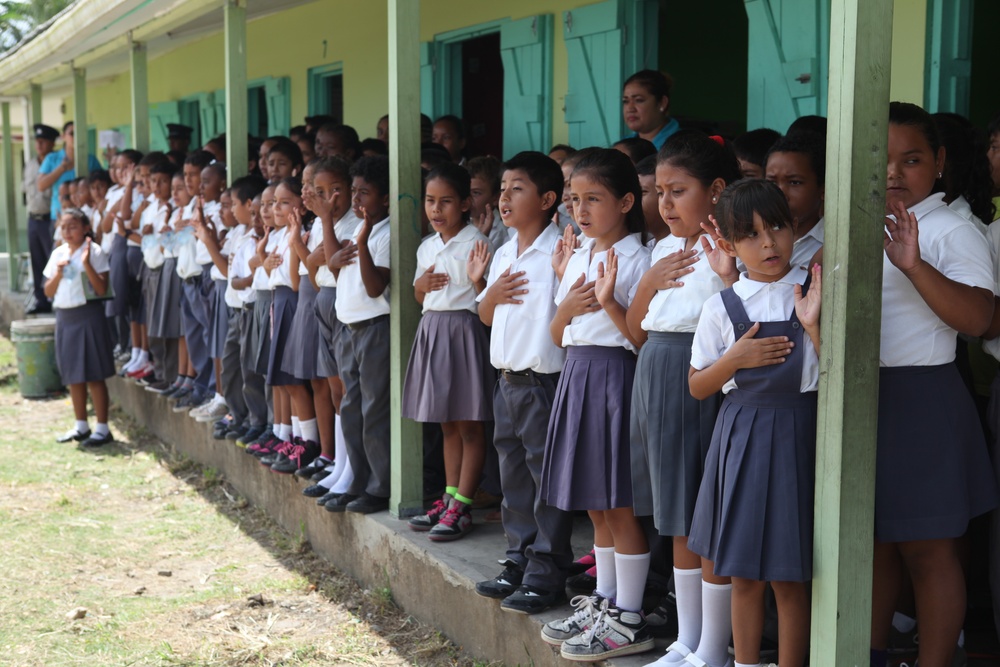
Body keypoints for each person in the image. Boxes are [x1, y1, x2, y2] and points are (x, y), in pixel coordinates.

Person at [869, 102, 998, 667]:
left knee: (929, 551)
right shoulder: (860, 222)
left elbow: (978, 320)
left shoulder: (953, 229)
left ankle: (936, 659)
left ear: (940, 162)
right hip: (864, 399)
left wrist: (916, 266)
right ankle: (868, 652)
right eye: (882, 159)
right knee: (871, 546)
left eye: (912, 159)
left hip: (922, 400)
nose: (895, 172)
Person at [686, 179, 822, 667]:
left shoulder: (815, 288)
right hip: (741, 436)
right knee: (742, 573)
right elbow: (698, 385)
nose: (769, 244)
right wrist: (736, 359)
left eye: (778, 228)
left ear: (794, 227)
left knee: (790, 575)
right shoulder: (720, 305)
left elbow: (838, 377)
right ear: (728, 244)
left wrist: (812, 325)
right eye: (752, 235)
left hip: (800, 436)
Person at [627, 131, 740, 667]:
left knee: (705, 513)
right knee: (675, 514)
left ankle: (714, 645)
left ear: (716, 190)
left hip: (702, 377)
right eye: (660, 192)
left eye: (678, 191)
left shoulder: (733, 249)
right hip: (657, 371)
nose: (664, 204)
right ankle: (687, 638)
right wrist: (648, 281)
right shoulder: (665, 248)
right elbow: (637, 328)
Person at [539, 148, 653, 661]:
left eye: (593, 200)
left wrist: (606, 301)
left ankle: (628, 615)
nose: (580, 211)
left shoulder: (638, 259)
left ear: (627, 201)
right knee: (595, 500)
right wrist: (566, 307)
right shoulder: (579, 253)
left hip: (615, 375)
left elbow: (638, 335)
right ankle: (605, 602)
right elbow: (559, 335)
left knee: (620, 502)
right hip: (578, 372)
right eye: (573, 200)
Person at [472, 151, 573, 612]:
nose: (505, 197)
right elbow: (487, 316)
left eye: (518, 188)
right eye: (503, 188)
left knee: (545, 479)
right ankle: (518, 558)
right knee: (514, 477)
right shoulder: (505, 250)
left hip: (542, 382)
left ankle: (547, 571)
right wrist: (488, 293)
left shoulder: (561, 250)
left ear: (548, 199)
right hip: (507, 380)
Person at [402, 163, 493, 541]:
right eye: (430, 201)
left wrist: (479, 279)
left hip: (464, 331)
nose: (436, 210)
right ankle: (448, 495)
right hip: (433, 330)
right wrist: (420, 285)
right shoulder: (428, 246)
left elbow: (486, 294)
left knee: (469, 423)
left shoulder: (477, 242)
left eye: (446, 202)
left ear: (465, 203)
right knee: (446, 422)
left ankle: (463, 505)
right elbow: (420, 296)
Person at [325, 155, 392, 514]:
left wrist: (363, 244)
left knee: (374, 409)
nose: (356, 199)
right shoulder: (356, 229)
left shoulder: (384, 233)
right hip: (348, 327)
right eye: (353, 191)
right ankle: (357, 478)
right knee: (351, 408)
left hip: (374, 329)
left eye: (364, 193)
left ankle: (379, 486)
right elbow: (342, 276)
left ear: (384, 199)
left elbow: (373, 287)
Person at [302, 156, 360, 501]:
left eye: (335, 190)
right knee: (334, 390)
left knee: (348, 391)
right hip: (324, 302)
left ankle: (352, 470)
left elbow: (339, 270)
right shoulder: (326, 224)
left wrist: (324, 220)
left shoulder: (352, 224)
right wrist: (315, 259)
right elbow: (315, 273)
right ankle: (339, 465)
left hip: (344, 304)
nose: (328, 199)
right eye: (319, 192)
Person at [45, 208, 115, 448]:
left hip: (88, 315)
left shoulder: (94, 252)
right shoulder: (58, 254)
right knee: (73, 374)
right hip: (66, 316)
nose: (67, 232)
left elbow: (102, 288)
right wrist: (58, 274)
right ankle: (81, 425)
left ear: (85, 227)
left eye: (72, 226)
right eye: (63, 227)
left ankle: (103, 428)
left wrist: (86, 263)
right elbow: (48, 291)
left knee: (94, 373)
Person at [764, 131, 826, 268]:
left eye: (794, 182)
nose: (780, 193)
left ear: (823, 189)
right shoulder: (751, 240)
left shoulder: (832, 245)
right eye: (772, 182)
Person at [24, 123, 60, 314]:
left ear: (52, 143)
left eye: (43, 141)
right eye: (37, 141)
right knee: (37, 261)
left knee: (52, 260)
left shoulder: (55, 162)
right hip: (33, 219)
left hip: (49, 218)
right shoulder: (30, 164)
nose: (39, 145)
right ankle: (41, 301)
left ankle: (55, 297)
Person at [37, 122, 102, 225]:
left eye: (79, 134)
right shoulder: (51, 158)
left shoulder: (91, 159)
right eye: (72, 134)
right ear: (63, 136)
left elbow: (101, 182)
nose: (76, 137)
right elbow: (41, 185)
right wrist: (62, 168)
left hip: (85, 214)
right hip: (60, 214)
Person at [622, 70, 679, 150]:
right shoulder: (624, 146)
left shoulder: (681, 147)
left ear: (662, 103)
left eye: (639, 100)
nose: (630, 108)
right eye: (625, 101)